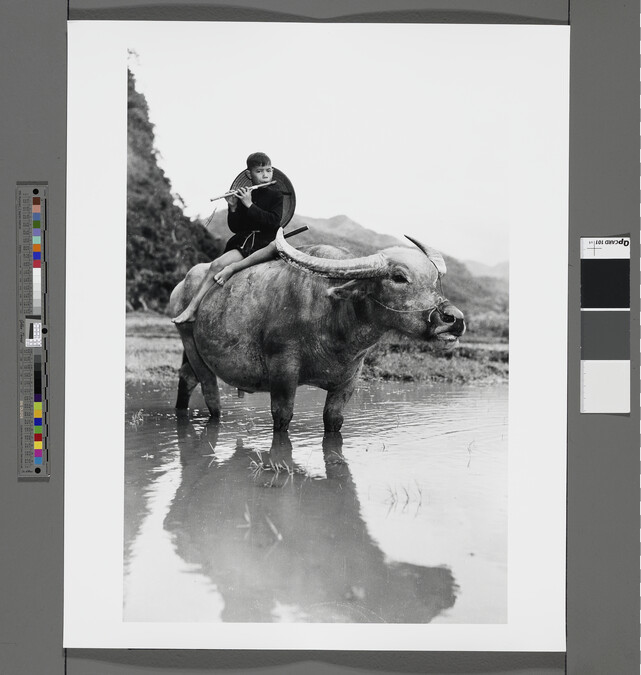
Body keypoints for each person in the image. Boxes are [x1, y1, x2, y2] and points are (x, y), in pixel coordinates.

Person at [172, 152, 284, 324]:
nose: (265, 175)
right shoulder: (243, 195)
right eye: (259, 171)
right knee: (216, 265)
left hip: (266, 242)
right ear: (249, 174)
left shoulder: (276, 195)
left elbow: (273, 222)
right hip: (244, 243)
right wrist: (233, 207)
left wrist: (249, 204)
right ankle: (192, 308)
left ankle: (232, 269)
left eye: (268, 170)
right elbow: (236, 227)